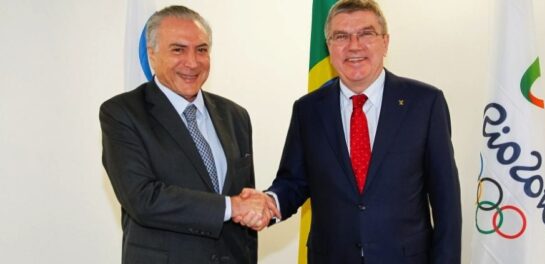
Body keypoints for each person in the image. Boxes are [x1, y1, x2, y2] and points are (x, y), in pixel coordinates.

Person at [253, 0, 462, 263]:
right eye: (341, 36)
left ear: (385, 42)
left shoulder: (425, 103)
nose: (354, 45)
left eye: (366, 33)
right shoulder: (308, 110)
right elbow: (294, 182)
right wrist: (268, 203)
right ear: (329, 46)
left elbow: (446, 201)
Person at [100, 5, 276, 264]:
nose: (192, 62)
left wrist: (257, 209)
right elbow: (143, 199)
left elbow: (243, 201)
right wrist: (231, 207)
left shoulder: (235, 115)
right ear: (152, 55)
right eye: (178, 49)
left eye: (201, 50)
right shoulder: (122, 113)